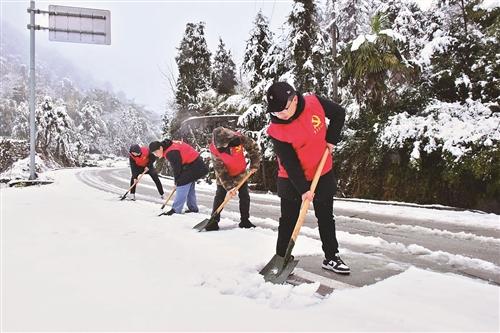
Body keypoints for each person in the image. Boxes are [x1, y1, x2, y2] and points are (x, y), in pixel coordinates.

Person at [265, 81, 350, 274]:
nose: (280, 115)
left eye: (283, 110)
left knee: (326, 216)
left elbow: (339, 113)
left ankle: (331, 257)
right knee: (288, 220)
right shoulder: (276, 130)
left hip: (322, 171)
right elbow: (289, 162)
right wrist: (303, 188)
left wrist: (331, 139)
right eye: (275, 113)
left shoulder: (314, 103)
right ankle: (281, 257)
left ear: (294, 99)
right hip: (291, 178)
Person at [207, 127, 261, 231]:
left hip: (241, 173)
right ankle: (213, 221)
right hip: (224, 176)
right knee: (220, 197)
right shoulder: (214, 149)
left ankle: (245, 221)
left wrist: (254, 164)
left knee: (244, 196)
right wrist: (229, 187)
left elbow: (253, 148)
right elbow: (220, 170)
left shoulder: (239, 138)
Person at [149, 139, 208, 215]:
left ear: (161, 148)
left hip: (195, 165)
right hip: (195, 164)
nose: (155, 155)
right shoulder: (169, 145)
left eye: (156, 152)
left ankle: (176, 210)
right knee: (188, 185)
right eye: (153, 153)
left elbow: (176, 168)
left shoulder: (170, 152)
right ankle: (193, 208)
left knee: (181, 184)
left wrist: (176, 182)